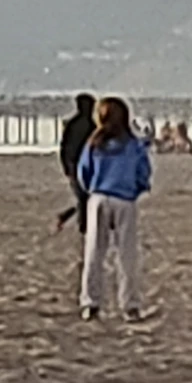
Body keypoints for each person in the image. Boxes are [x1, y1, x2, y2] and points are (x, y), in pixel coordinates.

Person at [77, 97, 151, 322]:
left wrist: (91, 188)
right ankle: (130, 306)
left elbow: (83, 172)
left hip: (99, 197)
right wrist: (137, 188)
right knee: (126, 254)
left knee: (94, 252)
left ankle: (90, 303)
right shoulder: (133, 145)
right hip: (124, 199)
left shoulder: (93, 144)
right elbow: (143, 172)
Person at [54, 93, 96, 233]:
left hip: (77, 164)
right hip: (79, 164)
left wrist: (65, 164)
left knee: (85, 196)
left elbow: (64, 147)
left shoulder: (75, 124)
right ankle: (83, 225)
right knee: (85, 196)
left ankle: (70, 217)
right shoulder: (91, 125)